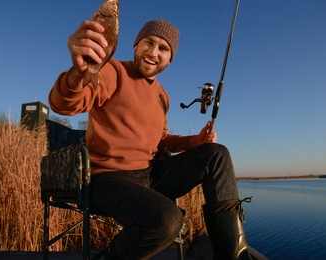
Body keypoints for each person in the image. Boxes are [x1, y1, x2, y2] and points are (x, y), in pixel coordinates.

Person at [49, 19, 252, 260]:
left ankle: (236, 256)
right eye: (149, 43)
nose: (153, 53)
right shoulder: (113, 71)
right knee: (167, 221)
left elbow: (162, 139)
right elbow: (65, 103)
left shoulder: (162, 95)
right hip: (108, 180)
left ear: (170, 59)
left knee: (216, 154)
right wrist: (78, 73)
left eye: (163, 49)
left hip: (149, 175)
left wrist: (195, 142)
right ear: (136, 45)